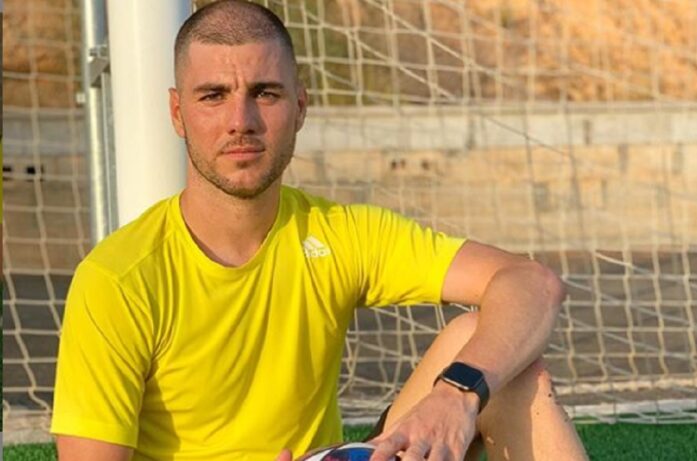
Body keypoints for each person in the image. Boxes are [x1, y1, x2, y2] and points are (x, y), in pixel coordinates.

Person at [51, 1, 588, 460]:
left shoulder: (337, 234)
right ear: (177, 112)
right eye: (213, 95)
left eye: (265, 93)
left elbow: (532, 284)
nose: (241, 120)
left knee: (490, 356)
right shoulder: (117, 280)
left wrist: (456, 395)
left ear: (301, 106)